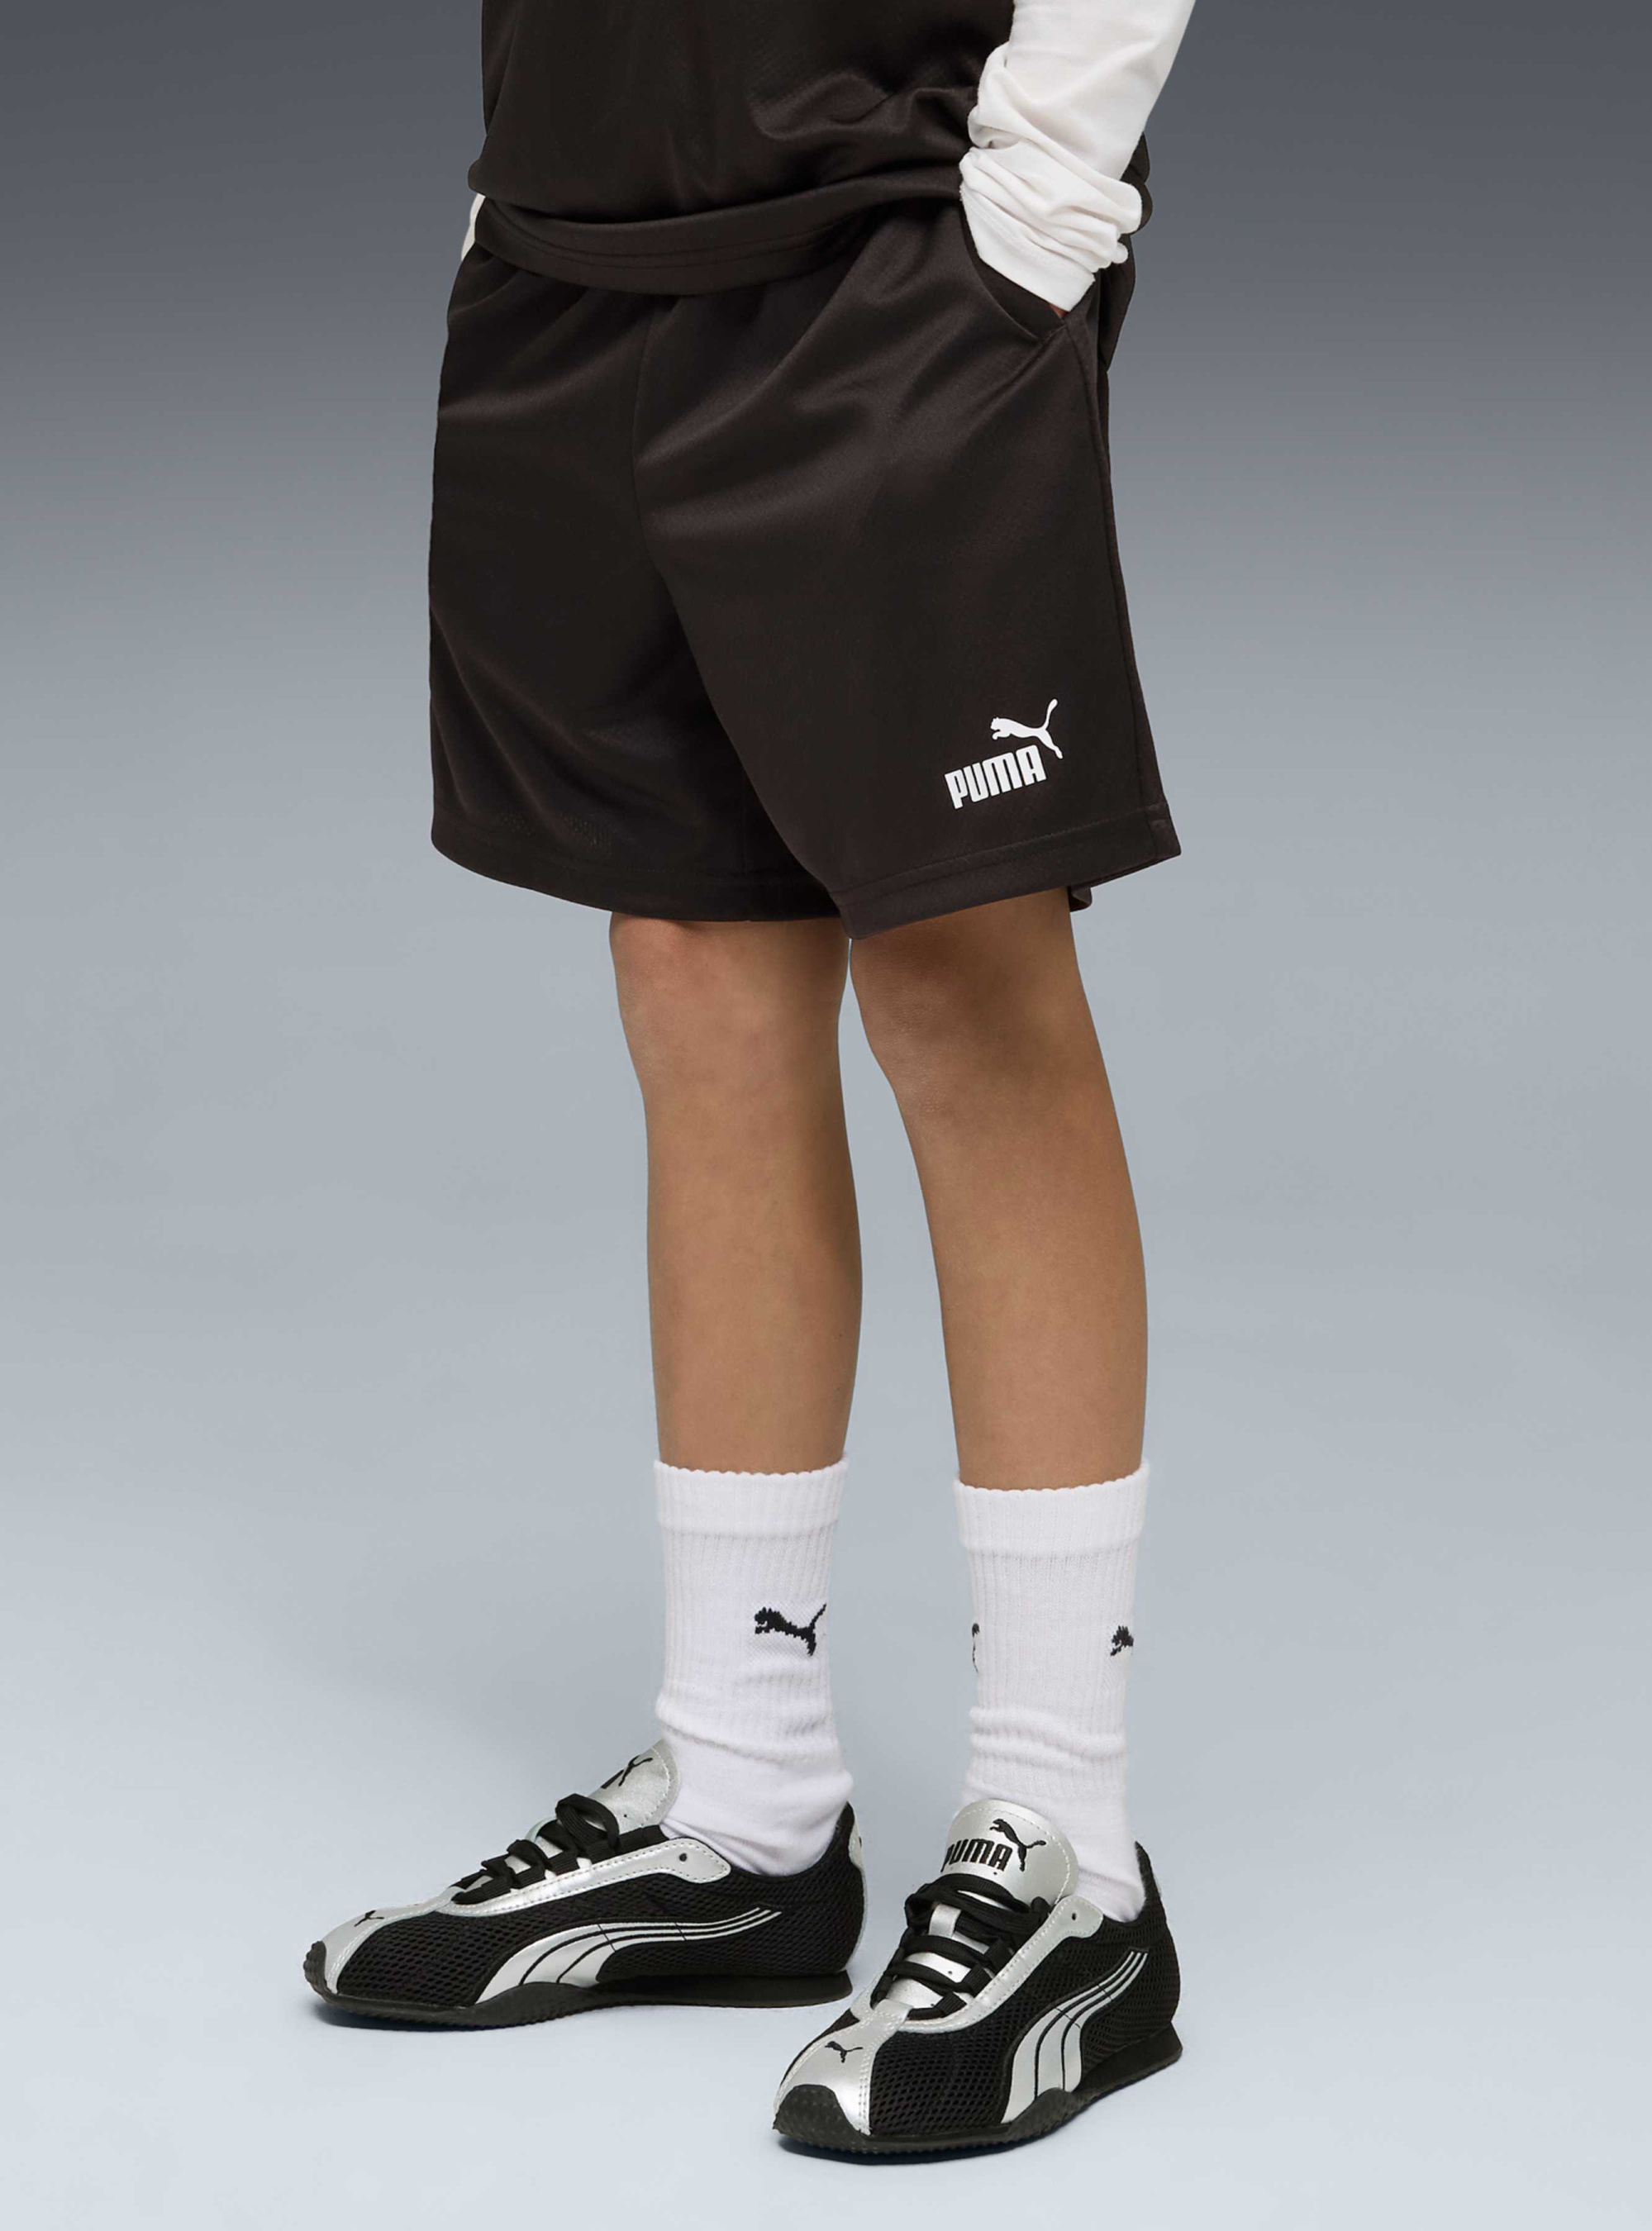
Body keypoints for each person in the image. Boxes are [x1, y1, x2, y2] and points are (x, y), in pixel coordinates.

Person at [307, 0, 1197, 2155]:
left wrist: (1040, 193)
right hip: (574, 246)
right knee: (695, 969)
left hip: (892, 237)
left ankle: (1067, 1850)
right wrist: (521, 178)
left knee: (962, 982)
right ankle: (742, 1799)